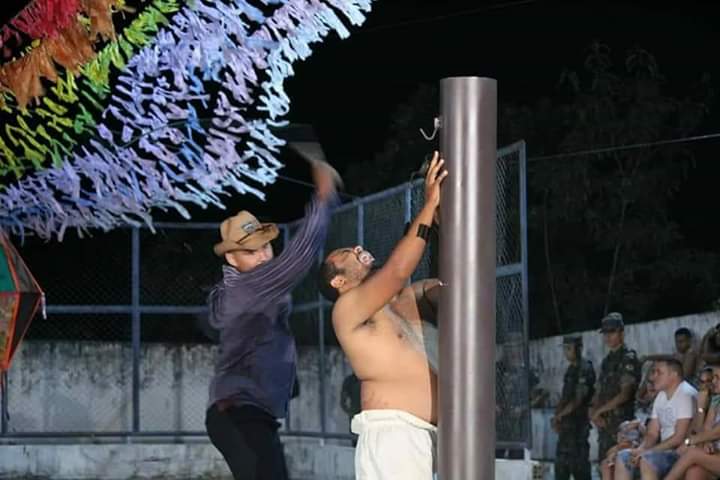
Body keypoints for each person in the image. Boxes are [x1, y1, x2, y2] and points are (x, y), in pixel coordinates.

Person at [204, 160, 340, 480]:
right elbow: (301, 254)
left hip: (246, 413)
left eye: (266, 246)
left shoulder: (236, 288)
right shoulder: (252, 285)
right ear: (231, 258)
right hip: (239, 413)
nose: (264, 255)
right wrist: (324, 197)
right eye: (251, 251)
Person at [317, 151, 447, 480]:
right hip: (393, 438)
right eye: (345, 253)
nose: (356, 249)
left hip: (419, 437)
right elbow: (397, 270)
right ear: (338, 281)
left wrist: (440, 222)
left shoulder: (396, 304)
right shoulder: (346, 311)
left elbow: (437, 288)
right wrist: (429, 205)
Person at [614, 358, 697, 480]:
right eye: (654, 372)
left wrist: (650, 451)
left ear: (674, 375)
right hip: (663, 450)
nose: (653, 377)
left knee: (648, 459)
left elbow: (679, 437)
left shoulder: (685, 393)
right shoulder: (661, 395)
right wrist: (640, 449)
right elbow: (652, 433)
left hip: (680, 452)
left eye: (659, 373)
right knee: (624, 456)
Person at [590, 312, 643, 463]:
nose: (608, 336)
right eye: (605, 333)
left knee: (620, 466)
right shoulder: (607, 361)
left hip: (622, 423)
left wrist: (599, 411)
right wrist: (593, 411)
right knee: (604, 465)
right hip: (605, 424)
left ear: (621, 332)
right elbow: (599, 390)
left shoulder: (628, 358)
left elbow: (625, 394)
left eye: (612, 332)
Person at [664, 362, 720, 480]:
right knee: (694, 471)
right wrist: (700, 408)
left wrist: (690, 441)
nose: (714, 382)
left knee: (692, 453)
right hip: (715, 454)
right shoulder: (716, 400)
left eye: (717, 378)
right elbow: (706, 429)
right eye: (714, 378)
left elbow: (716, 432)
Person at [552, 335, 596, 480]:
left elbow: (578, 399)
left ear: (579, 349)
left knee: (580, 467)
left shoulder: (585, 368)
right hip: (566, 426)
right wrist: (556, 416)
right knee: (561, 467)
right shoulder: (570, 369)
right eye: (564, 348)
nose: (566, 352)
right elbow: (565, 397)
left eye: (569, 348)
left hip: (579, 426)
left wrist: (560, 415)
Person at [341, 373, 362, 445]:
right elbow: (343, 401)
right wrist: (350, 412)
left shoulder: (367, 379)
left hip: (367, 415)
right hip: (356, 415)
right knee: (356, 441)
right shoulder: (350, 380)